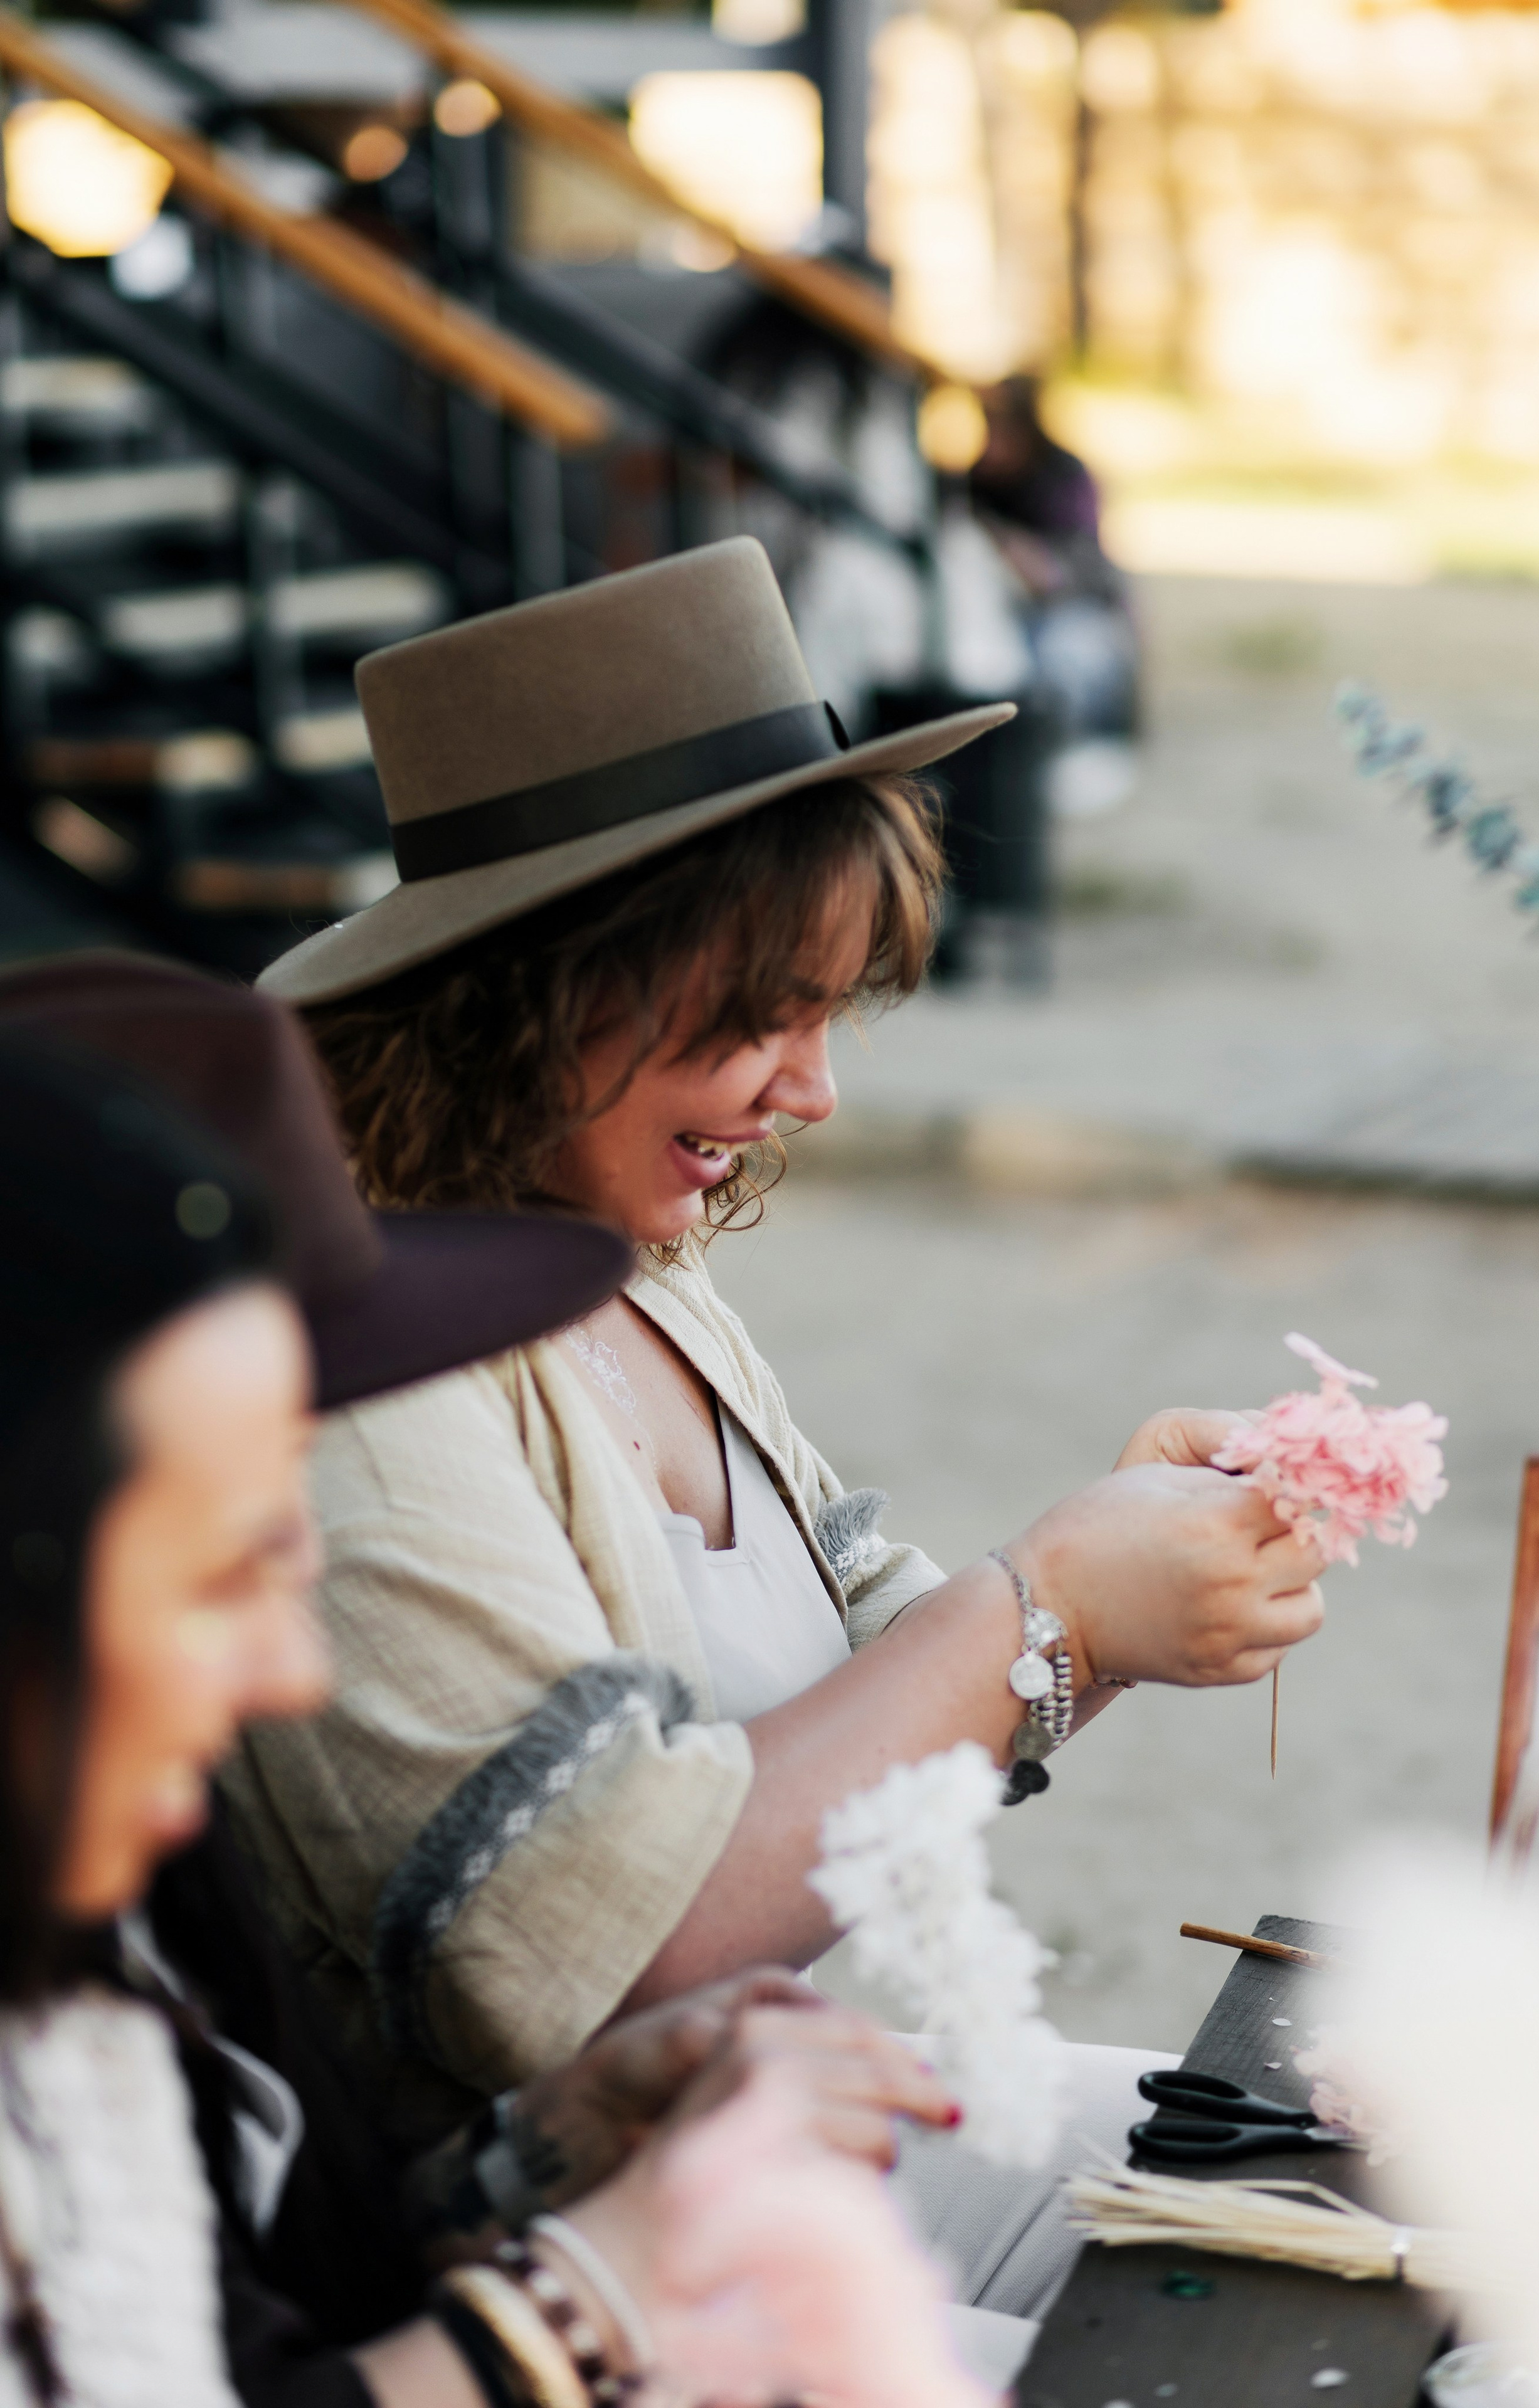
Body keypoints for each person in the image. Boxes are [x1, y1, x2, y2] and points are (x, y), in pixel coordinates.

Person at [229, 536, 1324, 2342]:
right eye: (760, 1017)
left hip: (758, 2146)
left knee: (1379, 2206)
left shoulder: (627, 1272)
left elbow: (893, 1676)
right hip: (536, 2284)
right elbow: (576, 1964)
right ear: (531, 989)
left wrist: (1134, 1570)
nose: (813, 1089)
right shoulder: (363, 1368)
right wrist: (1051, 1600)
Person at [0, 1013, 992, 2408]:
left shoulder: (134, 1901)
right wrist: (592, 2281)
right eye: (220, 1573)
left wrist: (544, 2155)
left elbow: (263, 2303)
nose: (294, 1673)